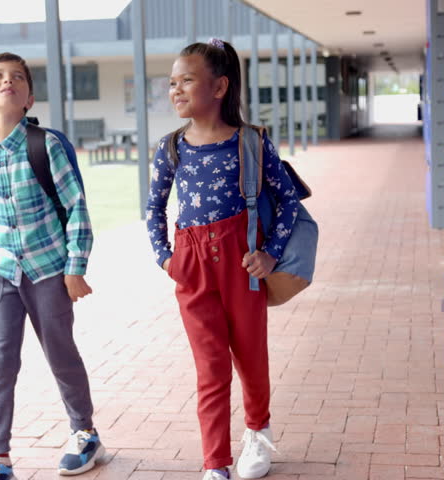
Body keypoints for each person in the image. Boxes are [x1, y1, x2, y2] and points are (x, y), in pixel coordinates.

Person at [145, 39, 300, 480]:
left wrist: (270, 255)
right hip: (190, 266)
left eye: (186, 81)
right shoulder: (171, 147)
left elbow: (287, 202)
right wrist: (166, 259)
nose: (175, 90)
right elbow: (154, 208)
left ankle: (258, 432)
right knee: (210, 367)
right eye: (172, 83)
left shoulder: (251, 143)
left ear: (219, 87)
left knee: (251, 357)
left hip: (242, 262)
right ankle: (215, 462)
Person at [0, 52, 103, 480]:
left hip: (49, 271)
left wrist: (75, 267)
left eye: (18, 78)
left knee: (60, 352)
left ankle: (85, 433)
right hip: (1, 270)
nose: (9, 81)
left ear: (29, 98)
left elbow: (77, 207)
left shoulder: (47, 145)